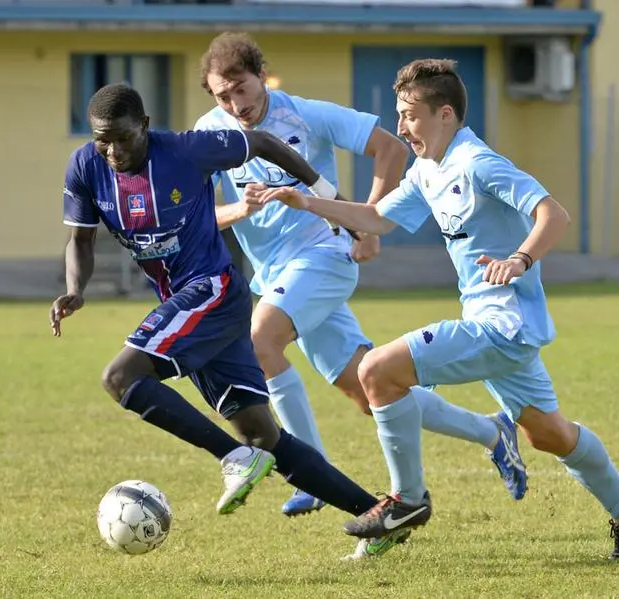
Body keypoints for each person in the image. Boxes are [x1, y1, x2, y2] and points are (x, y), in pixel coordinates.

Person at [252, 59, 619, 560]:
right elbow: (377, 218)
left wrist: (519, 258)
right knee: (547, 435)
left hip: (503, 324)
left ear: (445, 114)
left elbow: (554, 213)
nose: (402, 127)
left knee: (377, 370)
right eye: (399, 116)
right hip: (495, 325)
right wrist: (308, 203)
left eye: (410, 115)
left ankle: (407, 500)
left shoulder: (478, 163)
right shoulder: (428, 169)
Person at [50, 82, 407, 560]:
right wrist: (75, 288)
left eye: (123, 138)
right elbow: (81, 240)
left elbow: (259, 141)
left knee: (119, 377)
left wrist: (325, 192)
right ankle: (378, 515)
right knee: (263, 434)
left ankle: (233, 458)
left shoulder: (184, 149)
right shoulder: (86, 166)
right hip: (190, 304)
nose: (113, 150)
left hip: (212, 291)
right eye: (102, 139)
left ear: (146, 127)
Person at [195, 32, 528, 518]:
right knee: (367, 391)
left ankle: (306, 471)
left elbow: (389, 149)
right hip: (273, 277)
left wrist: (365, 224)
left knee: (260, 342)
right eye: (222, 96)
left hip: (322, 256)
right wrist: (237, 211)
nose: (234, 104)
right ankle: (491, 431)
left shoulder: (305, 114)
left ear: (261, 76)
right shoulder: (210, 134)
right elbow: (202, 214)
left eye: (240, 89)